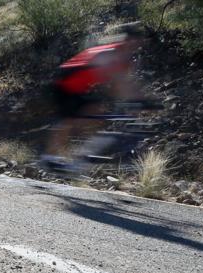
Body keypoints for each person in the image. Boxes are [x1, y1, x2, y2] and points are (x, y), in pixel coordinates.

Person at [41, 23, 148, 172]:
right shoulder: (113, 52)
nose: (135, 46)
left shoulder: (125, 59)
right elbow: (119, 84)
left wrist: (142, 101)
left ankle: (81, 156)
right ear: (126, 40)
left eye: (138, 43)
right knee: (68, 120)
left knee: (94, 115)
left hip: (80, 87)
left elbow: (124, 84)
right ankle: (49, 159)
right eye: (133, 41)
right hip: (65, 81)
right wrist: (138, 101)